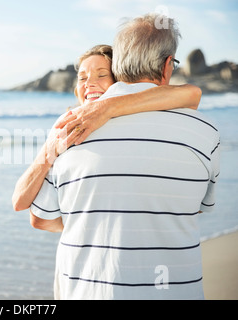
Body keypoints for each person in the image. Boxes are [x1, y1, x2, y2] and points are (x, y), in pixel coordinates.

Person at [21, 13, 220, 299]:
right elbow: (196, 205)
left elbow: (39, 218)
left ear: (118, 66)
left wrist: (99, 223)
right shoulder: (207, 133)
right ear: (167, 66)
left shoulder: (70, 131)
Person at [12, 44, 201, 212]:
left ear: (120, 82)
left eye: (102, 75)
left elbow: (190, 94)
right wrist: (48, 151)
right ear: (76, 89)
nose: (89, 84)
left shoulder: (134, 118)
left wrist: (107, 107)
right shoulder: (67, 129)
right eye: (82, 78)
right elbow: (19, 202)